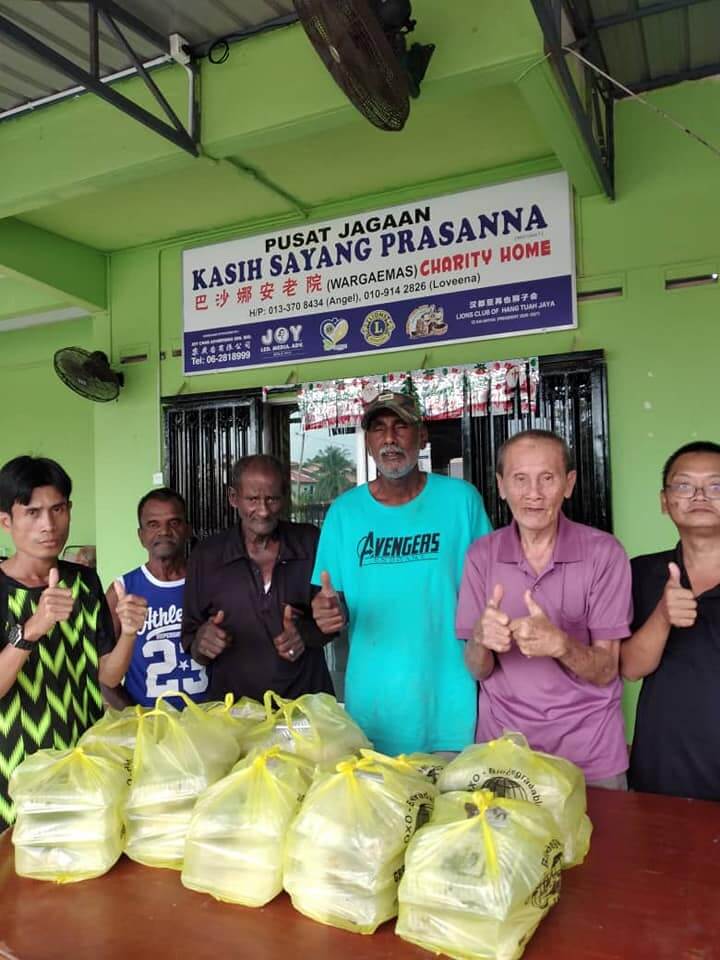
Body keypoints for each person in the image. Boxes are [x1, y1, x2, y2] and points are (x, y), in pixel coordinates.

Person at [312, 389, 492, 756]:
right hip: (373, 713)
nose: (389, 439)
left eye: (401, 427)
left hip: (451, 706)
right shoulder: (344, 514)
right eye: (378, 429)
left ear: (422, 435)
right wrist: (327, 613)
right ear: (367, 441)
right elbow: (334, 605)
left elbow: (490, 591)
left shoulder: (461, 501)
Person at [456, 429, 631, 788]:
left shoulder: (604, 553)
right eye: (520, 479)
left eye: (547, 478)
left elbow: (606, 670)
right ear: (502, 486)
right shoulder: (482, 556)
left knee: (604, 844)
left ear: (568, 484)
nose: (533, 494)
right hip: (504, 750)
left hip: (590, 749)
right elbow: (477, 669)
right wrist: (480, 639)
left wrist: (561, 645)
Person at [0, 456, 147, 829]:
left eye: (57, 509)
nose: (48, 525)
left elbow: (107, 677)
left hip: (84, 763)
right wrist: (33, 628)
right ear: (6, 521)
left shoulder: (84, 582)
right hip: (12, 777)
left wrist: (129, 632)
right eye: (32, 513)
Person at [181, 454, 333, 702]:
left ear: (284, 498)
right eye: (252, 499)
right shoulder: (206, 556)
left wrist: (306, 634)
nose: (263, 511)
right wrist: (203, 642)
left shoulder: (310, 542)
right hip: (235, 713)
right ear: (234, 498)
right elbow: (192, 640)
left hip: (306, 707)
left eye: (272, 499)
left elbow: (332, 621)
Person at [622, 441, 720, 800]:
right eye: (683, 485)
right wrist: (662, 615)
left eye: (716, 486)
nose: (699, 496)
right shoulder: (642, 572)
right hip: (665, 768)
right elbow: (630, 668)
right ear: (665, 501)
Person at [104, 488, 208, 709]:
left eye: (174, 523)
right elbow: (101, 674)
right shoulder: (121, 591)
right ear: (141, 536)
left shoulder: (211, 583)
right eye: (153, 524)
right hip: (149, 725)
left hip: (208, 722)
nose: (164, 531)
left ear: (187, 530)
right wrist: (135, 716)